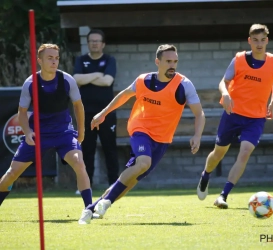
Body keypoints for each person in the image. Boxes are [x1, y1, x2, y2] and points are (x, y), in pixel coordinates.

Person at [78, 44, 206, 224]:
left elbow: (199, 113)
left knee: (129, 181)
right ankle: (106, 202)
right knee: (144, 162)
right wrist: (103, 113)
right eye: (168, 61)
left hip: (162, 139)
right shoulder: (143, 81)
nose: (172, 65)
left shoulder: (184, 85)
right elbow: (124, 95)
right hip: (141, 129)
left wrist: (197, 135)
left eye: (175, 61)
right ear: (157, 62)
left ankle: (92, 208)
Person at [196, 24, 273, 209]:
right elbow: (223, 82)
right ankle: (205, 175)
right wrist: (225, 94)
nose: (259, 44)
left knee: (244, 153)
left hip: (256, 118)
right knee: (218, 153)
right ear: (249, 41)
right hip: (232, 114)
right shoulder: (239, 59)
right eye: (255, 40)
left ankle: (222, 196)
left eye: (262, 40)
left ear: (267, 41)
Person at [0, 44, 93, 210]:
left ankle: (89, 209)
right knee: (11, 174)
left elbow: (78, 106)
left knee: (79, 163)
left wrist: (82, 131)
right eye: (50, 58)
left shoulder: (67, 80)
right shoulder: (30, 83)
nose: (54, 61)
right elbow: (22, 112)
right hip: (38, 134)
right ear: (39, 61)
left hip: (63, 132)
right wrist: (27, 132)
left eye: (56, 58)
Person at [73, 29, 119, 191]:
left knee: (110, 149)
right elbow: (76, 79)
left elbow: (107, 81)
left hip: (106, 112)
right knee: (86, 150)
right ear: (88, 43)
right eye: (91, 41)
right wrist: (97, 74)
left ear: (103, 44)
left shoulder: (109, 60)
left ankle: (114, 185)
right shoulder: (81, 60)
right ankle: (85, 186)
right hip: (86, 113)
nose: (94, 43)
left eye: (97, 41)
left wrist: (87, 78)